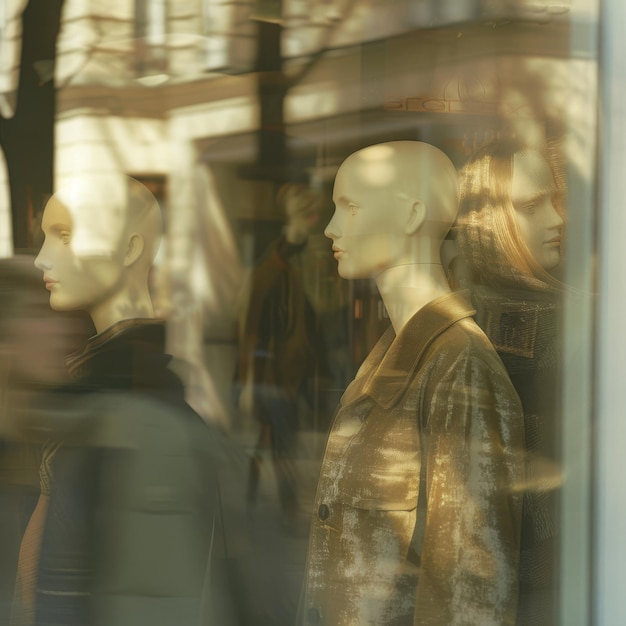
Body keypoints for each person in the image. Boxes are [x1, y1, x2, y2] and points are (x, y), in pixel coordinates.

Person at [299, 141, 525, 625]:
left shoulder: (458, 365)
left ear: (411, 215)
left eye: (350, 208)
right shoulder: (393, 356)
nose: (331, 228)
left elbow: (470, 596)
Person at [12, 174, 235, 626]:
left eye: (65, 236)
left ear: (130, 249)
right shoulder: (98, 387)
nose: (41, 259)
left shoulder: (134, 402)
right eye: (45, 237)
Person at [454, 139, 565, 626]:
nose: (558, 220)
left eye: (555, 201)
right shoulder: (461, 324)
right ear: (488, 222)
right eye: (532, 206)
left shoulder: (461, 317)